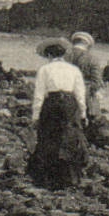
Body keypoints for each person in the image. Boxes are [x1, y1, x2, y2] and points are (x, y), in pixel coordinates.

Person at [28, 38, 88, 189]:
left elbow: (39, 95)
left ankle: (48, 178)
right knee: (70, 138)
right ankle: (70, 178)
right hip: (70, 104)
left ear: (49, 55)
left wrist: (35, 116)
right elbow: (80, 94)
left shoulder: (44, 70)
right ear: (63, 55)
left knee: (49, 137)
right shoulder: (74, 70)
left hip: (52, 103)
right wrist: (83, 113)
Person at [69, 32, 103, 114]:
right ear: (87, 44)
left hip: (64, 94)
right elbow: (96, 82)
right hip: (85, 96)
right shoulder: (92, 58)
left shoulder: (63, 56)